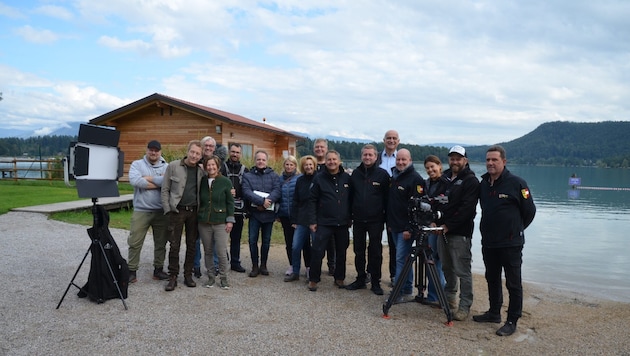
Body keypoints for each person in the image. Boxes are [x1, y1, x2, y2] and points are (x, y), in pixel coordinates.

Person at [473, 145, 536, 337]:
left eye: (495, 160)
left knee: (513, 283)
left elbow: (530, 211)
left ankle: (512, 320)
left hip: (511, 244)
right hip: (489, 242)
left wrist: (515, 230)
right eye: (488, 160)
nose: (490, 163)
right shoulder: (483, 183)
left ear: (504, 162)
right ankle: (494, 313)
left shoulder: (517, 183)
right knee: (491, 278)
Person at [435, 145, 479, 320]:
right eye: (452, 158)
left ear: (465, 161)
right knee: (447, 267)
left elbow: (467, 209)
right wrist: (435, 221)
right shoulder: (444, 176)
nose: (455, 161)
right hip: (442, 231)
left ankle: (464, 305)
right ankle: (449, 299)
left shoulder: (471, 180)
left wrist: (449, 225)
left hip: (460, 233)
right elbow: (437, 200)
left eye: (458, 158)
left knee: (462, 271)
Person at [346, 144, 390, 295]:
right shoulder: (356, 174)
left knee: (375, 251)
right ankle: (360, 278)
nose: (368, 157)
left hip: (376, 220)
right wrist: (349, 216)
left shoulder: (382, 175)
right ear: (361, 156)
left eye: (370, 155)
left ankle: (376, 282)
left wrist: (386, 218)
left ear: (376, 157)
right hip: (358, 219)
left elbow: (387, 199)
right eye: (365, 155)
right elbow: (350, 197)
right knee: (358, 250)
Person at [161, 140, 204, 291]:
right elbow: (165, 188)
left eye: (198, 153)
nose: (194, 155)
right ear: (188, 151)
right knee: (174, 244)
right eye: (192, 152)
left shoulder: (201, 171)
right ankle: (173, 276)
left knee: (192, 245)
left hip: (194, 212)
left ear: (200, 156)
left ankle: (188, 275)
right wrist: (167, 208)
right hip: (176, 211)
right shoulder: (173, 166)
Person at [307, 150, 352, 292]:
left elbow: (351, 200)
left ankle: (339, 278)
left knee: (341, 252)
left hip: (342, 223)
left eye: (334, 159)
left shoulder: (347, 178)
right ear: (325, 162)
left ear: (339, 161)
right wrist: (312, 221)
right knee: (318, 251)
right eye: (329, 160)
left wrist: (350, 217)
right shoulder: (319, 178)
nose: (332, 162)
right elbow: (312, 200)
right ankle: (314, 279)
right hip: (324, 222)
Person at [386, 149, 426, 302]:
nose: (401, 162)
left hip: (406, 229)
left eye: (404, 160)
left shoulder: (416, 179)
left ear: (410, 160)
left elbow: (418, 209)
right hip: (394, 226)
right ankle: (407, 288)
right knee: (404, 259)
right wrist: (390, 223)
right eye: (398, 159)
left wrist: (410, 228)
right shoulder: (394, 176)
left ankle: (398, 292)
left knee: (400, 259)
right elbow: (392, 203)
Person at [126, 140, 169, 283]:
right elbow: (136, 181)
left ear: (160, 152)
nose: (153, 152)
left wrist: (148, 179)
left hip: (161, 211)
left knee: (161, 242)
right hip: (141, 210)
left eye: (156, 150)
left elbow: (168, 182)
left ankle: (158, 269)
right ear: (147, 150)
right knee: (135, 241)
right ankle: (131, 270)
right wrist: (159, 183)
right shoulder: (136, 164)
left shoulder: (167, 166)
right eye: (151, 150)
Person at [197, 155, 235, 290]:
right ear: (205, 167)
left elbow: (230, 202)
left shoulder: (225, 182)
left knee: (221, 251)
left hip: (221, 221)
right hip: (204, 222)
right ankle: (211, 277)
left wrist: (230, 220)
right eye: (208, 165)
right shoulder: (201, 181)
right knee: (207, 251)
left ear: (218, 166)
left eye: (213, 165)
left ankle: (224, 278)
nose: (211, 167)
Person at [242, 150, 281, 277]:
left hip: (268, 215)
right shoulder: (248, 175)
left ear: (267, 161)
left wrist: (266, 204)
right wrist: (261, 202)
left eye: (263, 160)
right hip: (254, 214)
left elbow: (277, 191)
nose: (261, 162)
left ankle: (263, 265)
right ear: (255, 160)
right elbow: (246, 191)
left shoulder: (274, 175)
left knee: (266, 241)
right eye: (258, 159)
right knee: (252, 240)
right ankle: (254, 266)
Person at [418, 155, 448, 306]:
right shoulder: (426, 183)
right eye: (427, 168)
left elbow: (448, 205)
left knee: (437, 262)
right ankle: (431, 295)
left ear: (440, 166)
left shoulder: (446, 183)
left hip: (439, 228)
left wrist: (438, 222)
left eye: (432, 167)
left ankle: (438, 296)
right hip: (429, 226)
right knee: (430, 260)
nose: (430, 170)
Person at [284, 155, 316, 282]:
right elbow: (295, 201)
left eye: (310, 164)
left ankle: (312, 273)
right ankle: (295, 272)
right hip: (301, 219)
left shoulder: (319, 179)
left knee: (314, 248)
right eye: (306, 165)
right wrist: (293, 220)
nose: (308, 167)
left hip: (315, 219)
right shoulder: (300, 180)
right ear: (303, 166)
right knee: (296, 246)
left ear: (314, 165)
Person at [220, 143, 249, 273]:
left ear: (240, 154)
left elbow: (248, 189)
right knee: (221, 237)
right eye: (233, 152)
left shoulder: (245, 170)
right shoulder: (221, 167)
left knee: (236, 238)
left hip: (238, 209)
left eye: (237, 152)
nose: (235, 154)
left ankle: (235, 262)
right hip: (222, 209)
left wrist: (238, 193)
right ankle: (223, 261)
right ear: (229, 152)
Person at [377, 129, 400, 286]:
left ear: (398, 141)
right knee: (375, 241)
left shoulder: (402, 158)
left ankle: (394, 275)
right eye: (388, 138)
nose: (391, 141)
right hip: (377, 204)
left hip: (395, 205)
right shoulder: (376, 157)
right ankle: (374, 275)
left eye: (394, 138)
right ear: (384, 140)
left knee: (394, 244)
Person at [193, 136, 218, 278]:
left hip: (212, 208)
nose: (208, 148)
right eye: (205, 145)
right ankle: (195, 265)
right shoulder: (194, 160)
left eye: (211, 146)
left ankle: (214, 265)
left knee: (212, 238)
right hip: (195, 206)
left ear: (214, 148)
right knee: (195, 238)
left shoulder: (216, 163)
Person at [312, 138, 336, 276]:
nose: (319, 149)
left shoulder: (330, 166)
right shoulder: (310, 164)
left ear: (326, 149)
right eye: (317, 147)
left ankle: (332, 265)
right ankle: (314, 267)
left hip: (329, 208)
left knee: (331, 241)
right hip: (315, 208)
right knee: (316, 242)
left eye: (322, 147)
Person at [277, 155, 301, 276]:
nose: (289, 166)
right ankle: (292, 265)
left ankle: (307, 267)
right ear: (284, 165)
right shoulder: (280, 179)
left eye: (292, 164)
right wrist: (278, 213)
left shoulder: (300, 178)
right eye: (287, 164)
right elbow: (278, 196)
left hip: (298, 216)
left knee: (303, 243)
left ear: (295, 166)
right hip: (285, 215)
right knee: (289, 242)